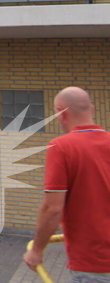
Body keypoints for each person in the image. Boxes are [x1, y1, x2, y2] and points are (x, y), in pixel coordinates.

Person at [24, 86, 110, 281]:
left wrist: (36, 250)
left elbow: (53, 209)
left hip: (94, 263)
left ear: (61, 114)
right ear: (92, 109)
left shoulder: (61, 147)